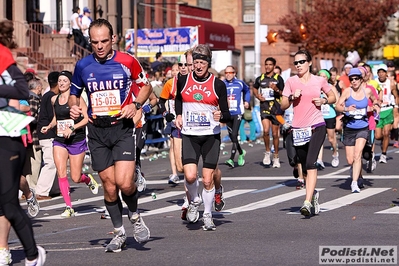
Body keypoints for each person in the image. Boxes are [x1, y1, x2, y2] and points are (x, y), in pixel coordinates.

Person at [68, 18, 152, 252]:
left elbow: (146, 86)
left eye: (105, 41)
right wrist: (75, 107)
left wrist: (135, 104)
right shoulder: (83, 66)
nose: (100, 46)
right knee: (109, 185)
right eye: (95, 42)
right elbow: (75, 93)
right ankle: (118, 232)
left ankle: (135, 216)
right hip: (96, 131)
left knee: (125, 183)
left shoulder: (127, 60)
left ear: (113, 39)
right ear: (90, 42)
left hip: (122, 127)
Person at [0, 19, 46, 266]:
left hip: (7, 136)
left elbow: (21, 90)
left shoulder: (1, 54)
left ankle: (32, 255)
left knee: (8, 204)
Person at [175, 44, 231, 230]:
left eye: (202, 63)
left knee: (207, 180)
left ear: (208, 64)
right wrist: (179, 115)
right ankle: (194, 201)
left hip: (210, 137)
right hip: (190, 135)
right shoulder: (183, 80)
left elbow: (227, 114)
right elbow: (178, 99)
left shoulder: (218, 85)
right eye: (195, 63)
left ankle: (207, 214)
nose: (198, 66)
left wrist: (220, 116)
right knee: (190, 176)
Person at [281, 49, 336, 217]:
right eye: (296, 62)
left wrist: (324, 100)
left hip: (317, 125)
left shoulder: (319, 80)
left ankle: (306, 202)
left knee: (312, 163)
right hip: (298, 128)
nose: (298, 65)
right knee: (304, 166)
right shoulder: (291, 81)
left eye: (301, 62)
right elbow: (283, 105)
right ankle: (314, 194)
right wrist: (291, 97)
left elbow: (333, 96)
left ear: (310, 63)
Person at [41, 71, 99, 217]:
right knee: (61, 172)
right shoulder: (54, 99)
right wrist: (49, 126)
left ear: (70, 83)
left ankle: (87, 179)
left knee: (75, 177)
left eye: (64, 81)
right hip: (60, 140)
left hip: (76, 140)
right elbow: (56, 118)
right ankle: (68, 207)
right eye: (59, 81)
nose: (61, 83)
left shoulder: (77, 99)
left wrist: (72, 127)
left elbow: (87, 118)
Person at [335, 68, 380, 193]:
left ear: (361, 79)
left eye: (356, 79)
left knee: (357, 155)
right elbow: (338, 106)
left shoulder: (367, 91)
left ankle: (354, 183)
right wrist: (346, 109)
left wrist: (376, 106)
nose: (354, 81)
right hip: (349, 127)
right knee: (350, 159)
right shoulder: (347, 92)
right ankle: (356, 172)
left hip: (363, 127)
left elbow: (375, 100)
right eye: (351, 79)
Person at [158, 56, 187, 184]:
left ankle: (189, 173)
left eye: (185, 65)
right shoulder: (170, 84)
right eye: (179, 66)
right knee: (173, 147)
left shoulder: (193, 82)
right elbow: (160, 102)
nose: (182, 68)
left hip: (191, 122)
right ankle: (175, 173)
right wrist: (165, 113)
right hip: (175, 121)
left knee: (188, 149)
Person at [253, 57, 285, 168]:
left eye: (270, 64)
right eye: (266, 64)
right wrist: (258, 96)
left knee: (275, 134)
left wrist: (276, 89)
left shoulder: (278, 79)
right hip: (264, 107)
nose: (267, 66)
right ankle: (267, 152)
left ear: (274, 66)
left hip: (276, 109)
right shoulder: (260, 78)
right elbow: (254, 88)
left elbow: (283, 93)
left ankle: (276, 156)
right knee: (266, 131)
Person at [35, 71, 60, 200]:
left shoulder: (47, 95)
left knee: (55, 161)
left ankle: (54, 188)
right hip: (47, 133)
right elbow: (53, 117)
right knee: (50, 162)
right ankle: (41, 191)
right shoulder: (51, 97)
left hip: (45, 133)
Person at [223, 65, 250, 167]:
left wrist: (246, 101)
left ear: (234, 74)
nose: (228, 75)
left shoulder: (239, 83)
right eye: (226, 73)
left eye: (230, 73)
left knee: (234, 134)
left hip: (237, 112)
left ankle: (231, 158)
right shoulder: (222, 84)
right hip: (227, 113)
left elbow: (247, 91)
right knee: (232, 136)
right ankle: (241, 152)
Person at [317, 69, 340, 168]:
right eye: (320, 76)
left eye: (324, 76)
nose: (322, 78)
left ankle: (335, 153)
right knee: (319, 138)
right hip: (319, 116)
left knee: (331, 138)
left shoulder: (331, 88)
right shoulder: (316, 88)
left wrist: (326, 101)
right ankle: (319, 160)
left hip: (330, 115)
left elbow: (337, 101)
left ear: (327, 78)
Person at [23, 77, 43, 190]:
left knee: (29, 162)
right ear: (38, 88)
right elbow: (31, 117)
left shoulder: (27, 97)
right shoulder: (34, 99)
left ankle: (27, 187)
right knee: (35, 161)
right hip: (34, 135)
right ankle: (31, 187)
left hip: (28, 136)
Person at [375, 64, 396, 164]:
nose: (381, 74)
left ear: (386, 73)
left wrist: (396, 107)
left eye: (383, 72)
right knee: (378, 136)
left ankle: (383, 154)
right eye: (379, 72)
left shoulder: (391, 83)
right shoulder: (374, 83)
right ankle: (384, 140)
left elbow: (396, 95)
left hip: (388, 110)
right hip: (378, 111)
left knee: (386, 132)